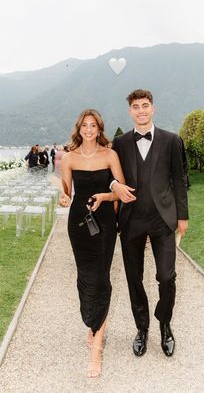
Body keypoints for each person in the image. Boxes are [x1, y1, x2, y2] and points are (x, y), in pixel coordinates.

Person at [111, 89, 189, 358]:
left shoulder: (171, 140)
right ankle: (141, 328)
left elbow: (179, 180)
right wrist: (113, 185)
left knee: (166, 277)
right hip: (131, 219)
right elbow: (107, 173)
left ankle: (165, 324)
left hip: (162, 218)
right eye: (136, 106)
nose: (141, 110)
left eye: (145, 105)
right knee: (133, 278)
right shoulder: (119, 143)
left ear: (153, 108)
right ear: (130, 111)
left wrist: (183, 216)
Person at [59, 109, 125, 378]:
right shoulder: (69, 158)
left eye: (93, 125)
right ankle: (95, 322)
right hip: (79, 224)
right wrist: (62, 199)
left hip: (105, 224)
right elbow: (65, 194)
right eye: (84, 125)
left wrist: (104, 197)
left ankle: (96, 347)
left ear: (99, 129)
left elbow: (121, 190)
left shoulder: (110, 155)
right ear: (79, 128)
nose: (89, 129)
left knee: (101, 278)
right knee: (85, 277)